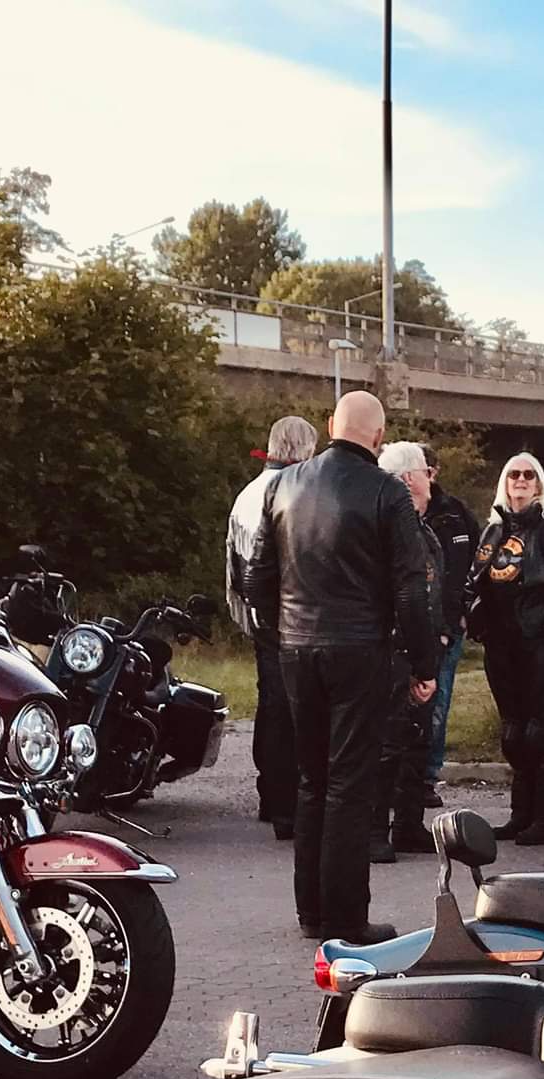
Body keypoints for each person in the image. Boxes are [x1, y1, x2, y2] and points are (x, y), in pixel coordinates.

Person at [244, 391, 436, 944]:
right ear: (379, 436)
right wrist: (423, 663)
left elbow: (257, 577)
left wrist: (281, 634)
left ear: (331, 425)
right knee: (351, 784)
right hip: (359, 649)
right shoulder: (387, 492)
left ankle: (311, 911)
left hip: (296, 647)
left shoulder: (282, 485)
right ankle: (346, 917)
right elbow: (410, 589)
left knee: (312, 780)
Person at [470, 451, 544, 845]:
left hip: (541, 647)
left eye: (528, 474)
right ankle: (521, 815)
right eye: (513, 474)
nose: (520, 480)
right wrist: (476, 620)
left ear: (539, 484)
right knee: (513, 733)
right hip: (501, 648)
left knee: (541, 733)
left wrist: (543, 626)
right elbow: (476, 584)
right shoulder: (493, 532)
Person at [225, 416, 317, 838]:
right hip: (287, 617)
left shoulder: (249, 492)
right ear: (303, 450)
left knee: (271, 704)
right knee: (289, 710)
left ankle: (270, 794)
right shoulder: (290, 491)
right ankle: (286, 806)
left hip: (260, 615)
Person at [373, 442, 446, 859]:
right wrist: (416, 661)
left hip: (420, 646)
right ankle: (374, 830)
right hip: (395, 649)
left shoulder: (420, 526)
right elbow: (404, 595)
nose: (430, 480)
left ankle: (408, 824)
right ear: (408, 479)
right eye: (424, 472)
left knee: (416, 739)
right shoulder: (391, 529)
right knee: (387, 742)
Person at [420, 443, 478, 805]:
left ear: (434, 471)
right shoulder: (395, 508)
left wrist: (462, 610)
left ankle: (427, 775)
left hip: (448, 623)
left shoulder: (455, 514)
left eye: (425, 469)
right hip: (408, 624)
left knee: (438, 700)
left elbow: (475, 564)